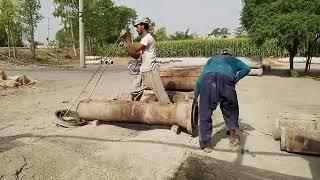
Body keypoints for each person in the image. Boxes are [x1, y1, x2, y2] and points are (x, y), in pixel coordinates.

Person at [194, 49, 251, 153]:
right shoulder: (234, 60)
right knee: (231, 110)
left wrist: (195, 96)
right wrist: (235, 78)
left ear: (220, 54)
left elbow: (200, 80)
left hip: (208, 80)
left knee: (205, 112)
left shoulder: (212, 60)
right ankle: (232, 138)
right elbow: (247, 69)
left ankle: (205, 144)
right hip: (227, 80)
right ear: (230, 55)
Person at [120, 18, 170, 103]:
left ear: (143, 26)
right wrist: (126, 46)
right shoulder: (143, 40)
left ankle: (169, 110)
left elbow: (136, 49)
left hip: (151, 70)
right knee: (134, 92)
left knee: (162, 97)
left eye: (137, 26)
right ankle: (132, 111)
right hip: (143, 70)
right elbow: (136, 55)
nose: (136, 29)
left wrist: (127, 38)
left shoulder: (148, 38)